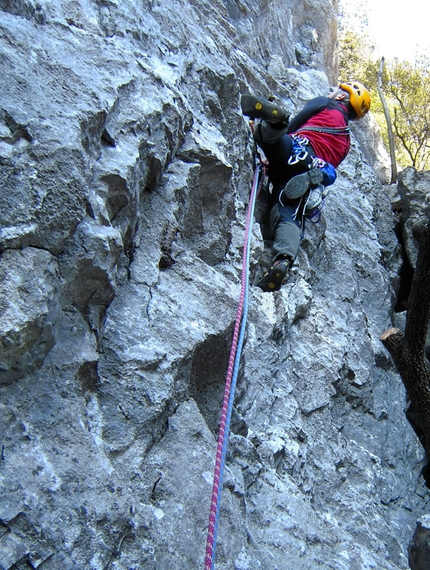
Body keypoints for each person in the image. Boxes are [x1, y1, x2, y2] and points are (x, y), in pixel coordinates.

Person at [240, 82, 371, 292]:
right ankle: (282, 261)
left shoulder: (326, 104)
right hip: (308, 169)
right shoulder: (345, 143)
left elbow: (296, 125)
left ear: (340, 98)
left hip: (295, 148)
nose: (331, 92)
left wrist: (278, 142)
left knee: (271, 138)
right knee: (287, 214)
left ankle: (276, 120)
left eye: (335, 91)